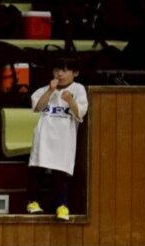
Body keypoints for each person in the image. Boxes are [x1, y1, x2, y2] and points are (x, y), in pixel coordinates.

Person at [26, 58, 88, 222]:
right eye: (57, 70)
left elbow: (80, 113)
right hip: (44, 135)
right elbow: (37, 108)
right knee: (37, 168)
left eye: (65, 70)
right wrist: (50, 91)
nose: (60, 74)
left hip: (64, 137)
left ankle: (61, 205)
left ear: (75, 73)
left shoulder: (79, 89)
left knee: (60, 172)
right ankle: (33, 202)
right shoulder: (45, 89)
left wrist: (70, 100)